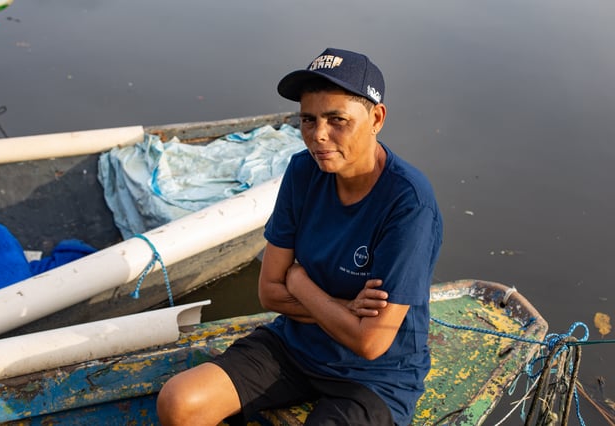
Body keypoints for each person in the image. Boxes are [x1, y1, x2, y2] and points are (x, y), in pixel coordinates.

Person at [156, 47, 443, 426]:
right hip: (294, 347)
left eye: (337, 119)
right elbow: (269, 292)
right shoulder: (303, 171)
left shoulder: (408, 204)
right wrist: (344, 311)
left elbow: (370, 343)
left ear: (376, 118)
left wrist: (300, 280)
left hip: (376, 377)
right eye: (309, 119)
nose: (319, 135)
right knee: (180, 402)